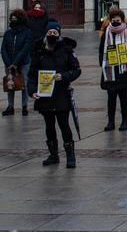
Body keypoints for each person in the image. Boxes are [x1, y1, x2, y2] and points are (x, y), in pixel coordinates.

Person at [29, 20, 80, 168]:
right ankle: (53, 154)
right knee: (49, 126)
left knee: (64, 125)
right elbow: (32, 74)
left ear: (59, 34)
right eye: (50, 32)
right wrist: (32, 91)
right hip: (45, 95)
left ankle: (70, 155)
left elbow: (76, 70)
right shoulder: (39, 51)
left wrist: (64, 76)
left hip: (61, 94)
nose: (52, 35)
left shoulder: (66, 50)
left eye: (55, 33)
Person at [98, 7, 127, 132]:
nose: (115, 22)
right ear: (110, 20)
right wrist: (102, 63)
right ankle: (111, 122)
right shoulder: (106, 33)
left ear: (122, 20)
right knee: (111, 97)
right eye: (113, 20)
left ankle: (124, 121)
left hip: (124, 70)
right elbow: (101, 50)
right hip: (110, 69)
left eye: (118, 20)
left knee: (123, 96)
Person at [0, 8, 33, 116]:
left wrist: (16, 62)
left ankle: (24, 106)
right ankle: (10, 106)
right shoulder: (8, 33)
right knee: (10, 83)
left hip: (23, 62)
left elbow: (26, 48)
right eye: (12, 19)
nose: (13, 20)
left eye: (15, 18)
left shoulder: (27, 32)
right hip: (9, 63)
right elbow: (3, 48)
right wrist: (9, 63)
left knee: (24, 84)